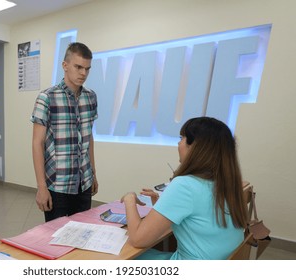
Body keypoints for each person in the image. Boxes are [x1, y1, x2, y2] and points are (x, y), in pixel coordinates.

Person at [121, 117, 248, 259]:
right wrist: (160, 202)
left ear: (195, 146)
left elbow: (138, 239)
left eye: (182, 138)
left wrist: (129, 199)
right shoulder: (229, 183)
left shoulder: (185, 184)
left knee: (121, 256)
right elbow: (196, 221)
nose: (178, 143)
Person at [31, 42, 98, 222]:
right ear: (65, 65)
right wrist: (41, 187)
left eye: (87, 69)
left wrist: (93, 174)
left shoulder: (91, 97)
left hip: (84, 183)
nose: (83, 73)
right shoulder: (47, 97)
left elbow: (88, 137)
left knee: (81, 238)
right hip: (57, 185)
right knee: (56, 241)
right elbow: (37, 143)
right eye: (78, 67)